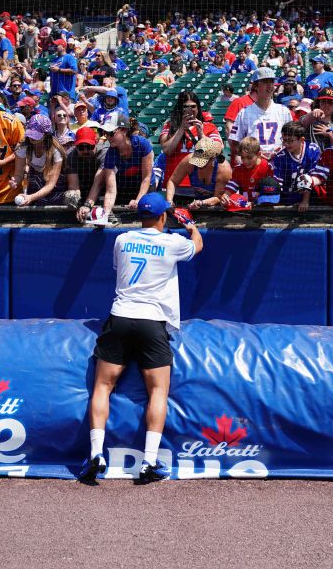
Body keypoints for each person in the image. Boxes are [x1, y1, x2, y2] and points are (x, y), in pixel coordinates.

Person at [78, 193, 202, 486]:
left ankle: (97, 453)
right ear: (163, 217)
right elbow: (197, 246)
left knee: (102, 387)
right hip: (152, 321)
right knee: (158, 391)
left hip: (120, 316)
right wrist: (191, 225)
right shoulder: (172, 243)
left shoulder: (122, 240)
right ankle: (148, 461)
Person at [79, 114, 155, 222]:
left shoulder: (142, 144)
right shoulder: (111, 153)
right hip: (126, 187)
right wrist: (105, 215)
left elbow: (146, 178)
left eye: (111, 133)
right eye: (105, 133)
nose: (108, 137)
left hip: (147, 187)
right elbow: (110, 191)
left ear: (123, 130)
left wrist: (138, 200)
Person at [230, 67, 293, 159]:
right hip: (255, 165)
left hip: (280, 164)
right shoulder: (244, 113)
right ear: (255, 86)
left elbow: (292, 139)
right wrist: (252, 155)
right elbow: (235, 144)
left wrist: (281, 151)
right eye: (265, 82)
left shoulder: (284, 111)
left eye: (271, 82)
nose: (269, 86)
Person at [165, 136, 232, 209]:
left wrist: (201, 203)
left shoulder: (223, 169)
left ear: (212, 158)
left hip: (215, 208)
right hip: (196, 200)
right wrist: (169, 201)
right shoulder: (188, 161)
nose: (197, 164)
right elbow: (172, 181)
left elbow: (218, 198)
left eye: (203, 161)